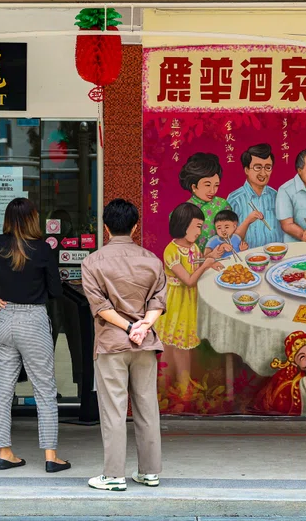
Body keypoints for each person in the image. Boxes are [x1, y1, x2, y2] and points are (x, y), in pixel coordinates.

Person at [0, 198, 70, 473]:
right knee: (44, 390)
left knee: (3, 390)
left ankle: (5, 453)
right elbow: (56, 292)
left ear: (7, 219)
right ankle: (50, 455)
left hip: (4, 319)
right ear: (33, 219)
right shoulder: (43, 249)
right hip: (33, 320)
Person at [81, 199, 166, 492]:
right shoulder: (152, 260)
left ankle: (114, 475)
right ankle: (150, 472)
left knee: (114, 410)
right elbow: (158, 302)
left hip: (111, 344)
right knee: (147, 408)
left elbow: (100, 306)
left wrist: (130, 327)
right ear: (135, 226)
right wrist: (143, 326)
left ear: (105, 227)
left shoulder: (92, 262)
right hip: (145, 344)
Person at [155, 202, 222, 384]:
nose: (199, 232)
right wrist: (207, 264)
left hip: (189, 300)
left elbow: (196, 266)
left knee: (177, 344)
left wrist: (209, 262)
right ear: (184, 225)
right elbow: (189, 280)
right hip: (176, 301)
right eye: (197, 227)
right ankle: (181, 387)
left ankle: (173, 383)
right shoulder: (171, 251)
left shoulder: (193, 247)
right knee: (178, 345)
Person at [226, 143, 283, 247]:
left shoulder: (276, 196)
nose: (263, 173)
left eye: (268, 167)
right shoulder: (234, 199)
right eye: (258, 167)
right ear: (247, 170)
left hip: (276, 255)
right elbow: (226, 237)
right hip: (247, 257)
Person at [178, 152, 234, 252]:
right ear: (194, 186)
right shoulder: (182, 211)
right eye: (207, 185)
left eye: (216, 185)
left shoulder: (223, 205)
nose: (213, 191)